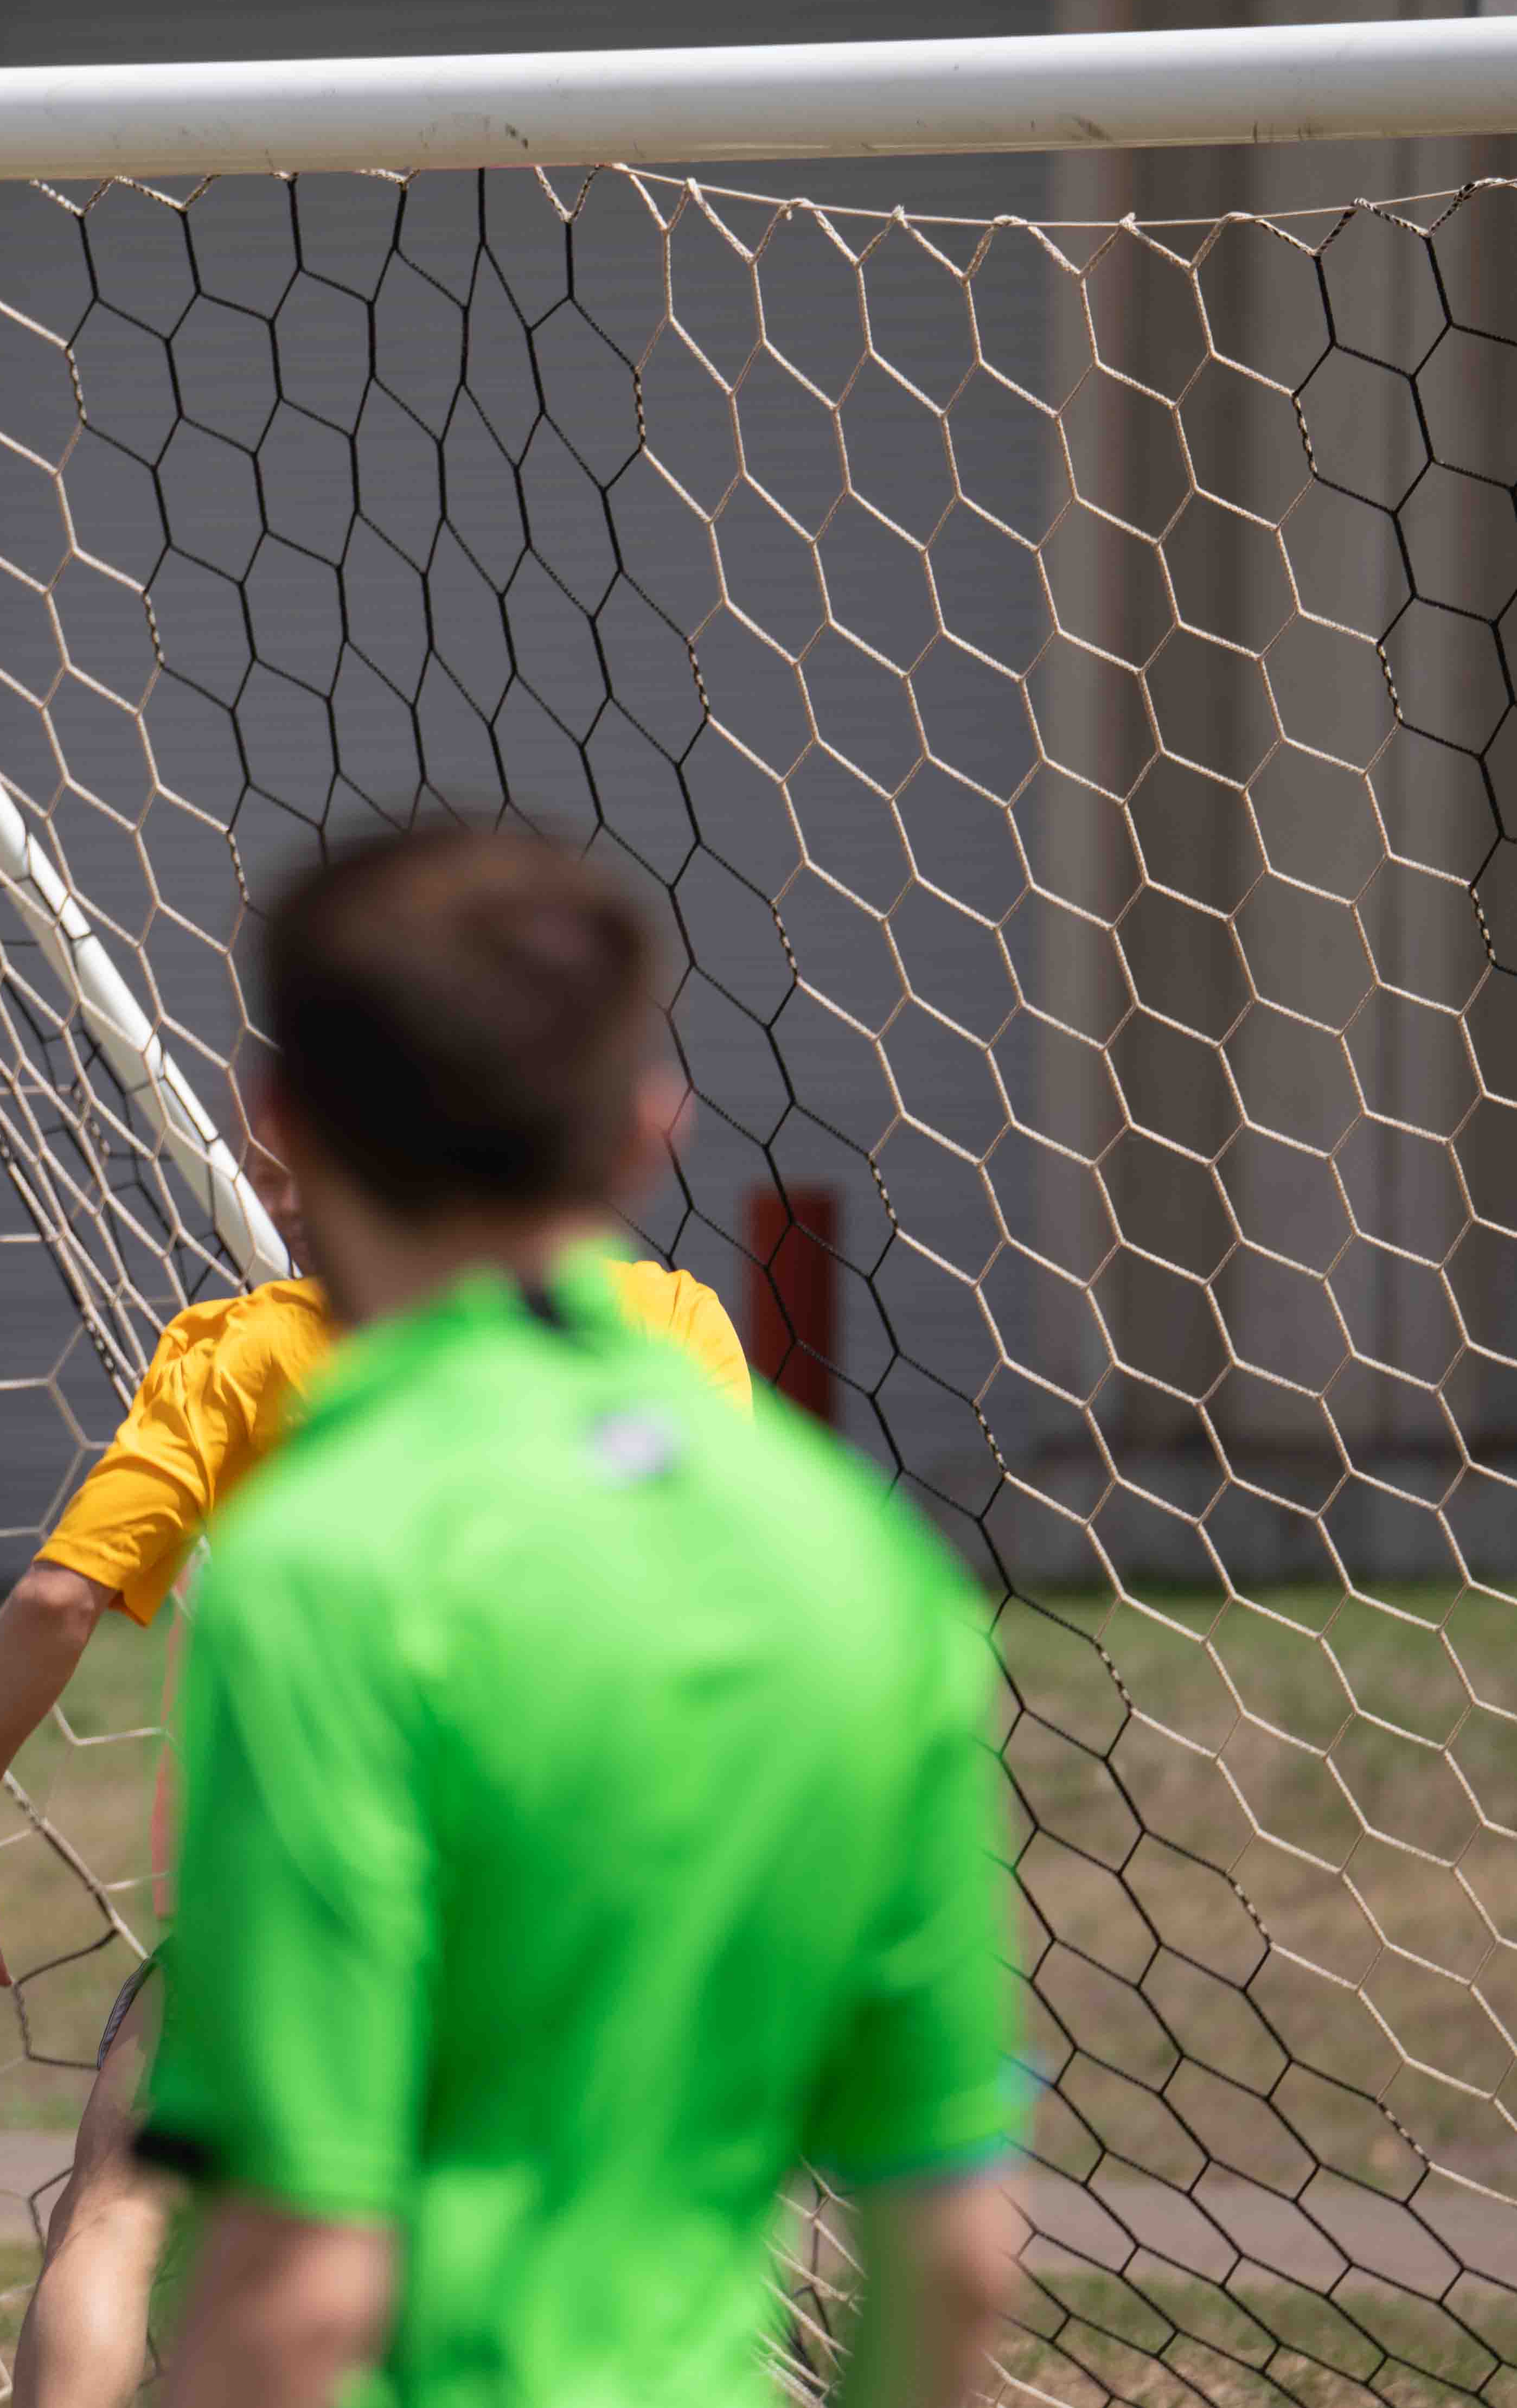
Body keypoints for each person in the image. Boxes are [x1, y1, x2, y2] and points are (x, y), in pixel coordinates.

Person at [135, 828, 1023, 2407]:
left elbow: (299, 2279)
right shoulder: (862, 1569)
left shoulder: (321, 1568)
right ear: (643, 1132)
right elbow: (952, 2252)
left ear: (274, 1127)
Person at [0, 1163, 751, 2408]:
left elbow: (59, 1598)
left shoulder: (246, 1347)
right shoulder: (667, 1326)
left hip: (284, 1893)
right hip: (562, 1903)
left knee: (117, 2219)